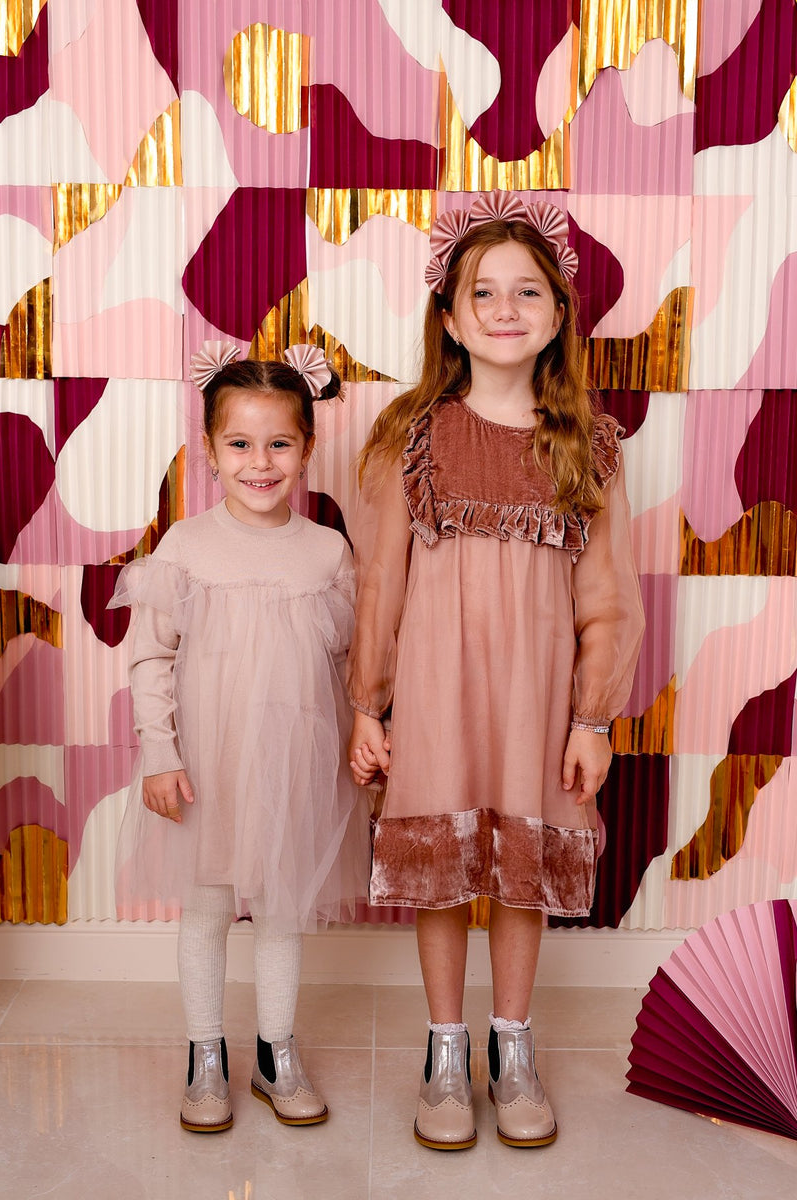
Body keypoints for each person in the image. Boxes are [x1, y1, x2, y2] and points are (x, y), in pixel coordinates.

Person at [346, 191, 645, 1150]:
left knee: (522, 872)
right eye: (483, 291)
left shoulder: (588, 447)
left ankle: (511, 1045)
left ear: (557, 316)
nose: (505, 308)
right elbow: (381, 584)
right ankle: (445, 1051)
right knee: (442, 872)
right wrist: (368, 705)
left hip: (537, 703)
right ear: (448, 316)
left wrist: (592, 719)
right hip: (435, 697)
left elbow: (607, 597)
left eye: (527, 291)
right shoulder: (410, 437)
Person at [110, 341, 368, 1133]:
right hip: (207, 766)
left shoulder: (326, 552)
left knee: (283, 910)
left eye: (279, 443)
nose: (261, 463)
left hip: (295, 765)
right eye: (241, 444)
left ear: (308, 448)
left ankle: (275, 1052)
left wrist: (361, 740)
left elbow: (351, 666)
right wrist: (161, 756)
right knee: (207, 908)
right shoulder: (187, 545)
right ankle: (204, 1055)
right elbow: (151, 658)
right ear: (210, 450)